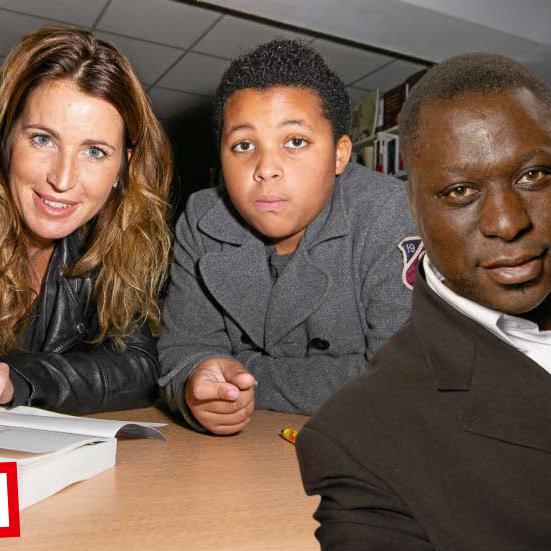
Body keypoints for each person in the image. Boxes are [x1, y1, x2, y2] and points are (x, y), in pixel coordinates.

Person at [296, 52, 551, 549]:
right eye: (460, 191)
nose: (507, 222)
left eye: (534, 176)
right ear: (412, 207)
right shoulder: (358, 441)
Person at [158, 39, 418, 434]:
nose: (266, 168)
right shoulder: (201, 219)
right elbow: (182, 351)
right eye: (243, 145)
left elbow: (398, 379)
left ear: (339, 155)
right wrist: (196, 381)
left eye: (295, 142)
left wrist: (248, 374)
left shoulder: (387, 210)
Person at [0, 27, 172, 413]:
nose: (62, 179)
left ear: (122, 168)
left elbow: (140, 366)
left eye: (94, 151)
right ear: (8, 140)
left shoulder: (111, 245)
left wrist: (21, 380)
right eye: (42, 139)